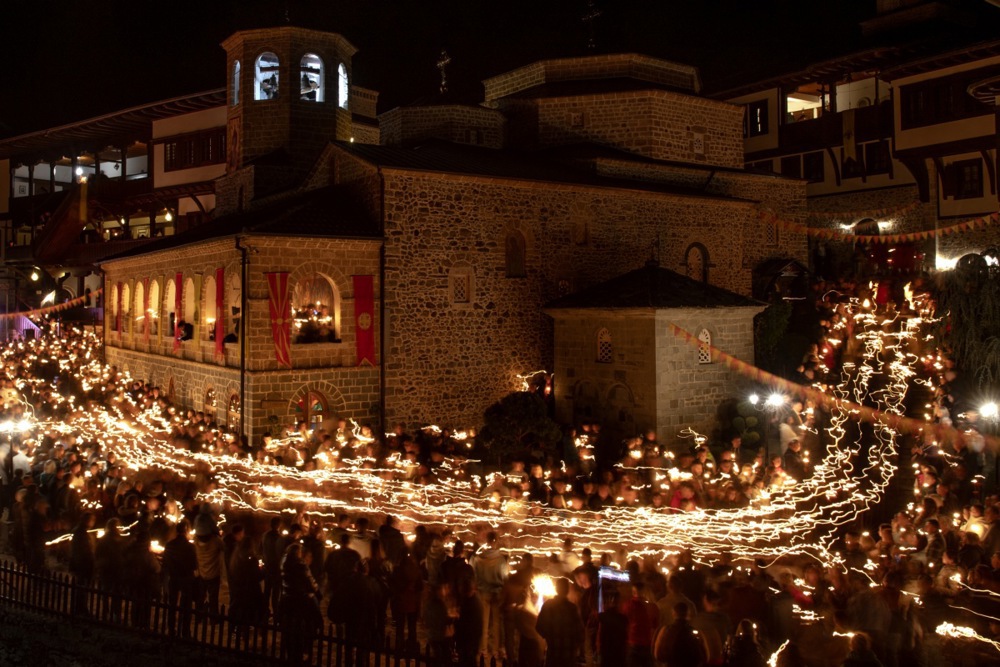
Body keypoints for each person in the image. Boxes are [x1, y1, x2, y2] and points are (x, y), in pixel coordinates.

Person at [279, 542, 322, 665]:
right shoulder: (300, 565)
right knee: (309, 622)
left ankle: (290, 652)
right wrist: (318, 593)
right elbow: (309, 581)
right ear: (298, 553)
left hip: (287, 597)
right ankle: (304, 652)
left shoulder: (284, 562)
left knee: (289, 627)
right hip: (300, 598)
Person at [470, 531, 509, 658]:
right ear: (496, 541)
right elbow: (505, 577)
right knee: (496, 623)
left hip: (483, 592)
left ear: (487, 541)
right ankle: (496, 650)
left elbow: (473, 570)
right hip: (497, 593)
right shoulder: (501, 560)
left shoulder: (479, 558)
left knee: (484, 622)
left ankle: (483, 649)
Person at [536, 577, 584, 667]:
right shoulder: (572, 608)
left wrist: (549, 637)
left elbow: (539, 627)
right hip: (568, 656)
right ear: (567, 590)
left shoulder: (548, 605)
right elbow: (580, 632)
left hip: (553, 653)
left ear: (556, 589)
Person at [162, 519, 198, 637]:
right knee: (186, 605)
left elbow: (165, 562)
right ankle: (185, 631)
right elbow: (194, 565)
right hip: (186, 578)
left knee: (172, 604)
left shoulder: (169, 545)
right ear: (186, 530)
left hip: (173, 577)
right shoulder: (190, 547)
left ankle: (171, 628)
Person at [654, 602, 707, 667]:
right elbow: (704, 655)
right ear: (688, 614)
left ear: (673, 613)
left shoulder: (666, 630)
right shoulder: (695, 633)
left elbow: (657, 655)